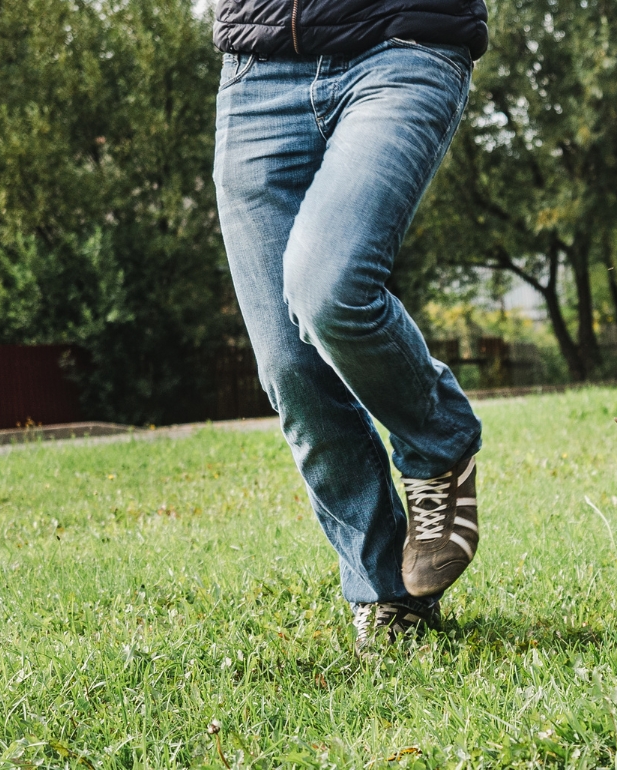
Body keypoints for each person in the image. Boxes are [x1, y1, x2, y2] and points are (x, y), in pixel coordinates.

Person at [211, 0, 488, 648]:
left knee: (328, 288)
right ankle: (387, 594)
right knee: (289, 365)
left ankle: (439, 440)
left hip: (404, 39)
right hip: (258, 65)